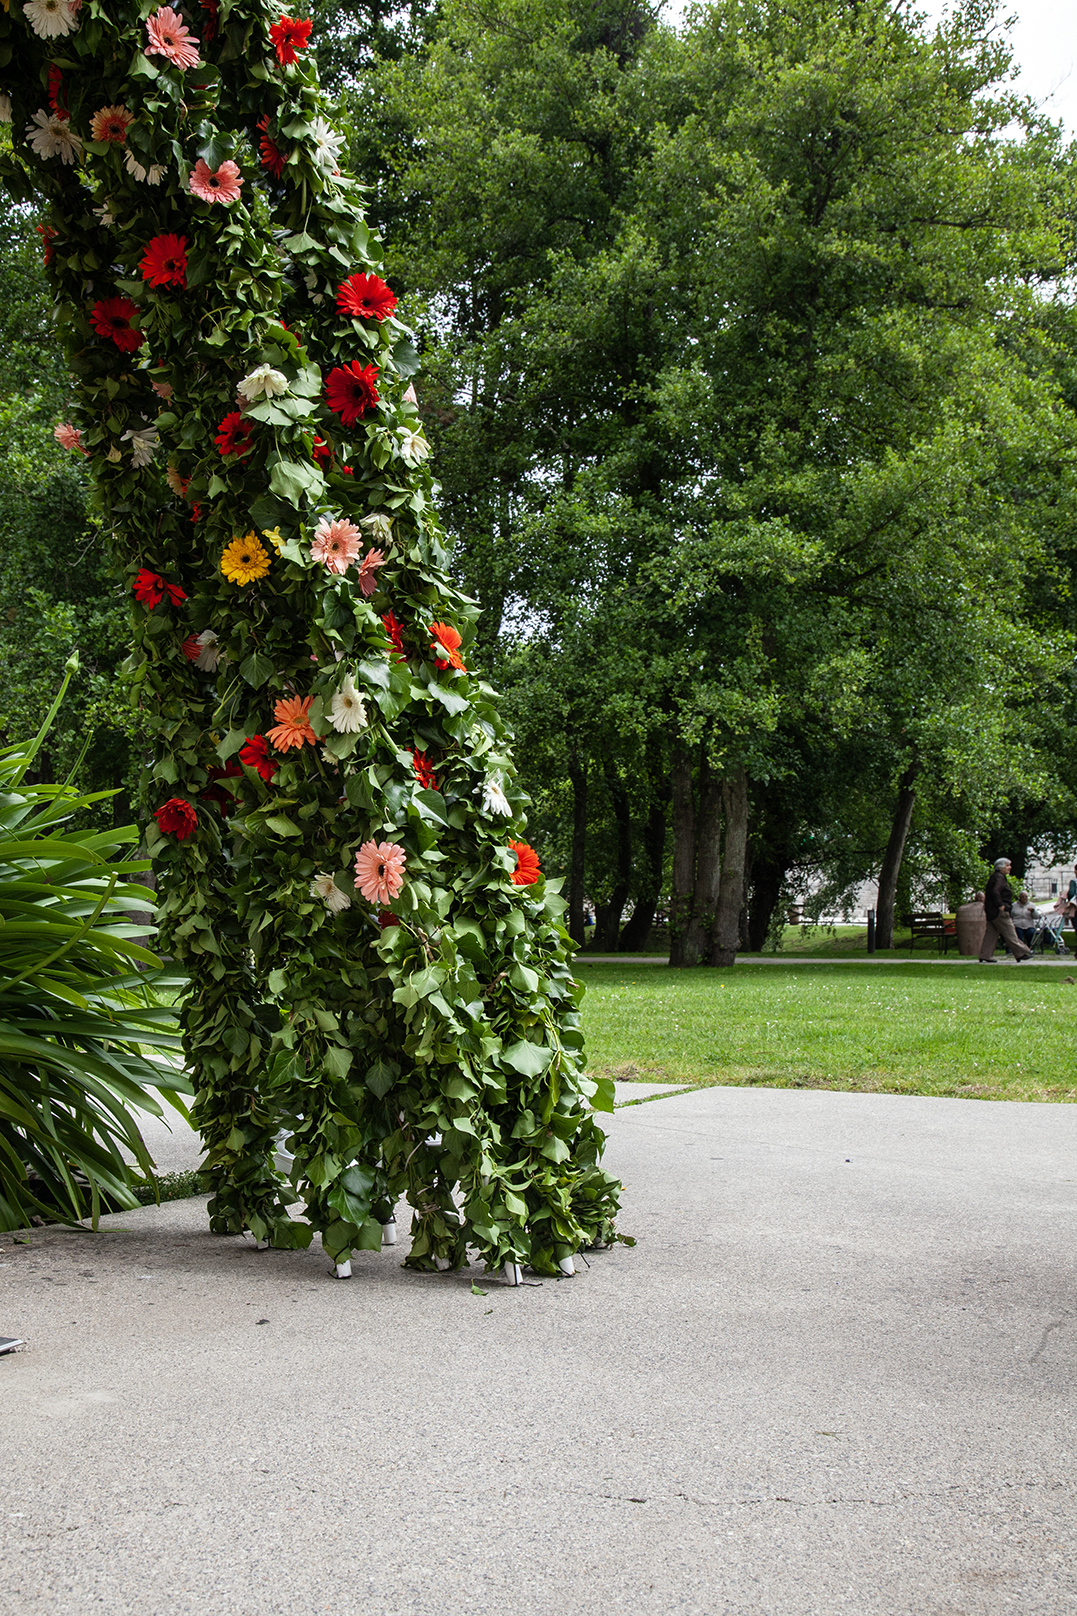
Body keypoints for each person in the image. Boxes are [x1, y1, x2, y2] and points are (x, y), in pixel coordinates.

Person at [979, 858, 1031, 963]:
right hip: (999, 912)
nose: (1010, 867)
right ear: (1001, 867)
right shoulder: (1000, 877)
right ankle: (1021, 952)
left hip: (991, 911)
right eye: (1007, 865)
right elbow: (995, 891)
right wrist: (1000, 905)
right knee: (1009, 932)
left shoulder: (995, 877)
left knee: (991, 934)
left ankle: (985, 954)